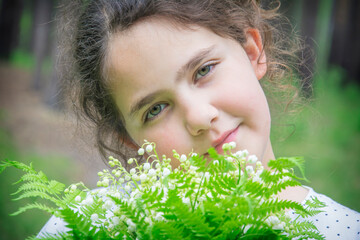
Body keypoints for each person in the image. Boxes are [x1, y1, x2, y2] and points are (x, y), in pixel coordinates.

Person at [39, 0, 360, 238]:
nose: (200, 118)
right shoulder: (83, 225)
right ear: (130, 140)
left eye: (203, 70)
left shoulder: (343, 231)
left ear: (253, 52)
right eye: (155, 109)